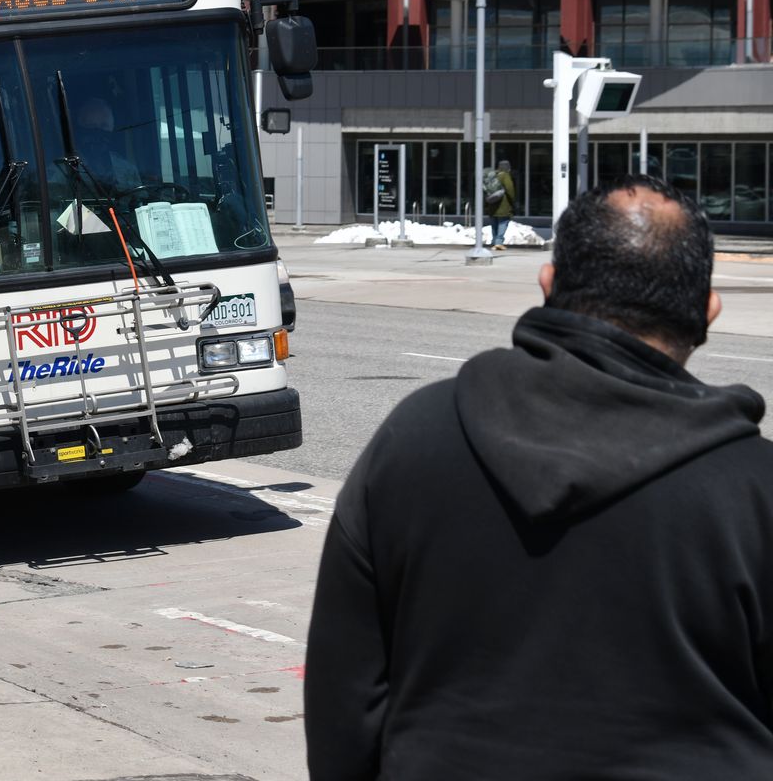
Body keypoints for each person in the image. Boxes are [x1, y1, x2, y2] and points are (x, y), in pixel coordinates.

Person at [306, 175, 773, 780]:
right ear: (707, 309)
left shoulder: (414, 437)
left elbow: (344, 701)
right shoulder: (754, 489)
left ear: (548, 284)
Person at [487, 159, 517, 251]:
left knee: (494, 223)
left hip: (492, 203)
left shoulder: (492, 175)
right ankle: (499, 243)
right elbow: (509, 189)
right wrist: (513, 201)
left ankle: (494, 241)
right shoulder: (505, 175)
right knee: (503, 222)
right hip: (503, 204)